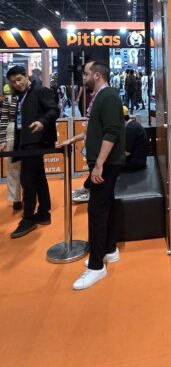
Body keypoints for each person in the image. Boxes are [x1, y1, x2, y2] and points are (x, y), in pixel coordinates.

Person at [61, 60, 125, 291]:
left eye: (87, 73)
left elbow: (111, 132)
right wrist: (74, 139)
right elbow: (95, 129)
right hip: (104, 162)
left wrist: (99, 164)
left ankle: (97, 266)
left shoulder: (108, 96)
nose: (84, 77)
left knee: (96, 211)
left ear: (97, 75)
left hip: (106, 164)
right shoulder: (100, 96)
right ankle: (109, 250)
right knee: (103, 207)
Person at [6, 65, 59, 239]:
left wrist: (42, 122)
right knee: (38, 177)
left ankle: (28, 218)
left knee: (27, 180)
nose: (17, 84)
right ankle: (43, 213)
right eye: (13, 82)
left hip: (36, 141)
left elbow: (54, 109)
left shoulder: (40, 91)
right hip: (25, 142)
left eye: (19, 79)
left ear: (26, 75)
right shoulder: (20, 96)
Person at [0, 89, 22, 212]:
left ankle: (30, 197)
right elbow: (4, 119)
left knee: (28, 169)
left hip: (27, 131)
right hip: (12, 131)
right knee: (13, 168)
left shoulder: (29, 96)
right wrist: (2, 140)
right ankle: (16, 199)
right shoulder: (8, 99)